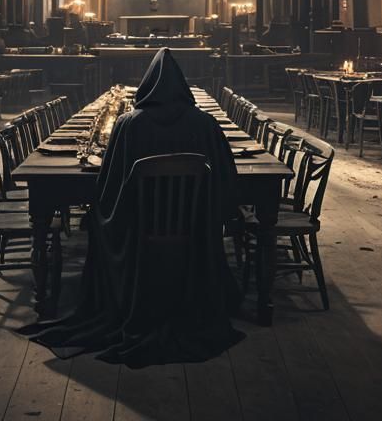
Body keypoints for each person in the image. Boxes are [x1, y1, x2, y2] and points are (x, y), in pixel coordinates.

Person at [24, 48, 244, 366]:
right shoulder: (205, 124)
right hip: (194, 235)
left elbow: (107, 188)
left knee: (99, 221)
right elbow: (227, 180)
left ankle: (99, 300)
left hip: (136, 235)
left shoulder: (129, 125)